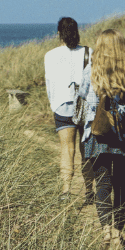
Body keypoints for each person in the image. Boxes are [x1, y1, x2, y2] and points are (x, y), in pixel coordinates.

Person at [82, 28, 125, 244]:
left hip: (99, 133)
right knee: (121, 183)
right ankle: (119, 232)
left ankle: (106, 231)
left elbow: (86, 101)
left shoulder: (91, 72)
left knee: (102, 184)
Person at [42, 17, 90, 199]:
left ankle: (66, 189)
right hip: (85, 106)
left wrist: (54, 103)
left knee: (66, 148)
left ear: (58, 34)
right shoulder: (89, 52)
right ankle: (89, 190)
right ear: (77, 32)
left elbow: (49, 84)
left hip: (62, 105)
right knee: (86, 150)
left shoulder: (50, 55)